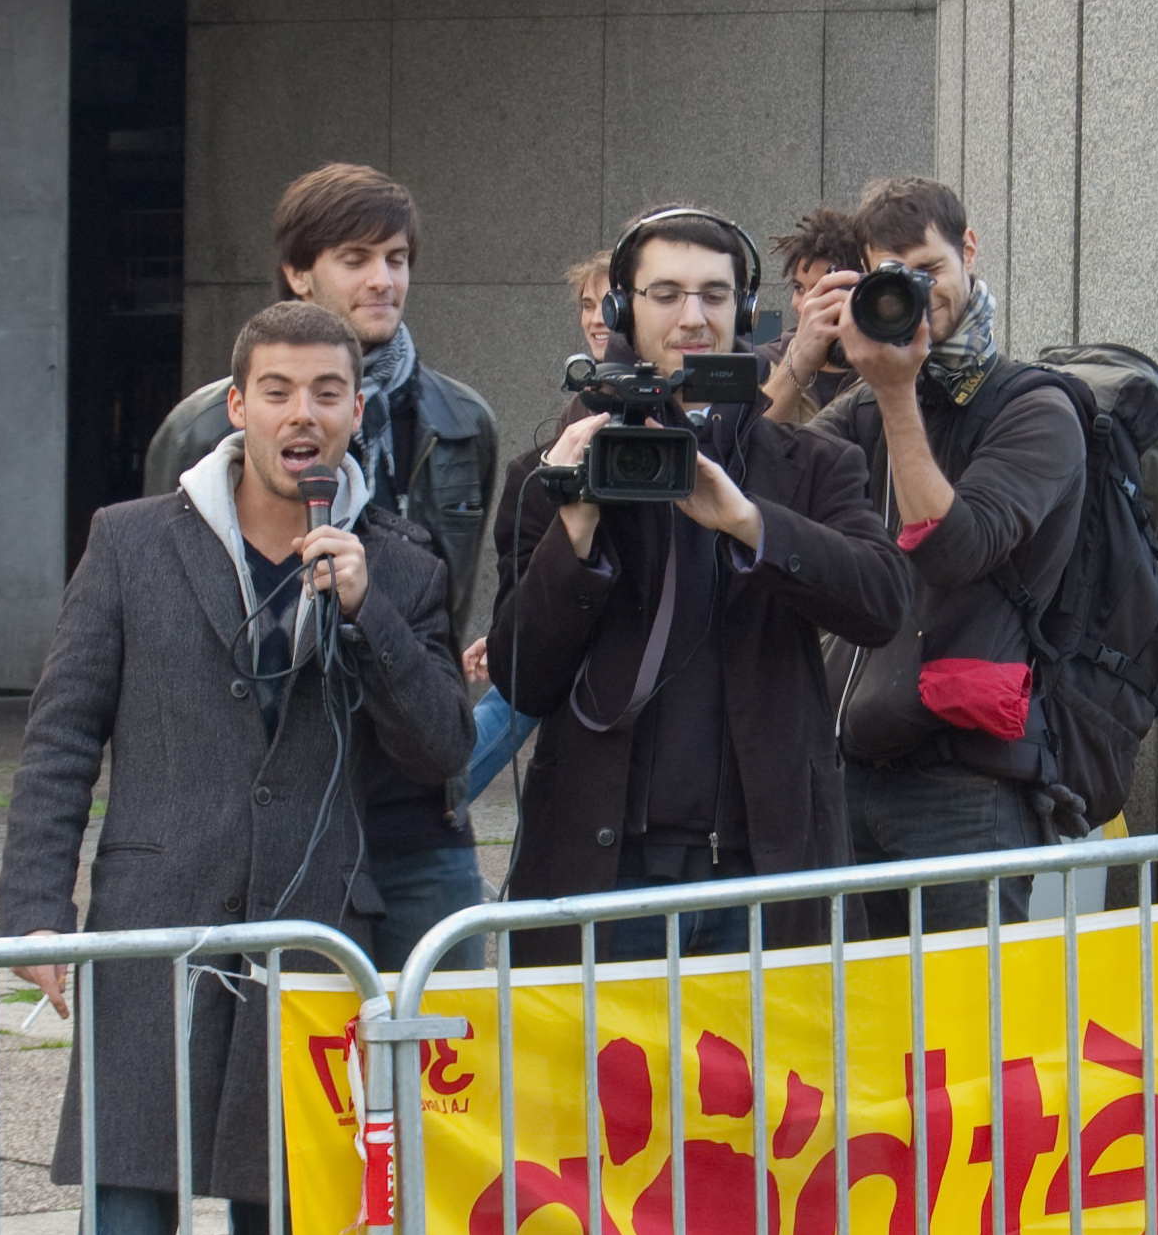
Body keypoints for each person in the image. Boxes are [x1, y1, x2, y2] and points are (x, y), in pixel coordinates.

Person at [0, 298, 473, 1235]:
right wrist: (35, 907)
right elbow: (61, 736)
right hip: (153, 937)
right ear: (235, 405)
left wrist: (366, 611)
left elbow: (441, 747)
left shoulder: (399, 560)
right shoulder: (130, 540)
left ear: (356, 410)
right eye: (276, 390)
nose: (300, 415)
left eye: (325, 392)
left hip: (310, 949)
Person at [487, 206, 907, 954]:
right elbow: (523, 676)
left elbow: (881, 604)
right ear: (622, 309)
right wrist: (573, 529)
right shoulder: (548, 470)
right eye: (666, 294)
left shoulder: (810, 465)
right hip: (604, 873)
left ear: (743, 310)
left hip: (765, 873)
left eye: (714, 295)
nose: (693, 316)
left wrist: (750, 523)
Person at [805, 175, 1085, 934]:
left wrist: (896, 394)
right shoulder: (866, 402)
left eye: (929, 269)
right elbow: (760, 480)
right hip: (848, 771)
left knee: (968, 1009)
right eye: (892, 276)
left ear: (969, 251)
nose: (915, 293)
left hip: (966, 790)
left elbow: (954, 549)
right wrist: (801, 359)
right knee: (857, 1006)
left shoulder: (1035, 407)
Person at [269, 164, 500, 973]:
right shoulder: (212, 425)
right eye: (356, 258)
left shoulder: (462, 421)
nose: (383, 280)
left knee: (446, 1042)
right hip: (284, 798)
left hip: (420, 805)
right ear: (299, 273)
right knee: (291, 1046)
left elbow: (445, 612)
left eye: (396, 258)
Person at [456, 250, 619, 803]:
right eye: (587, 304)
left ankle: (430, 805)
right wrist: (513, 631)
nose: (595, 318)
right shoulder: (564, 431)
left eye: (608, 303)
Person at [755, 205, 865, 422]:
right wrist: (799, 362)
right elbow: (749, 437)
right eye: (798, 288)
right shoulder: (765, 363)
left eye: (822, 290)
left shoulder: (882, 362)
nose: (805, 305)